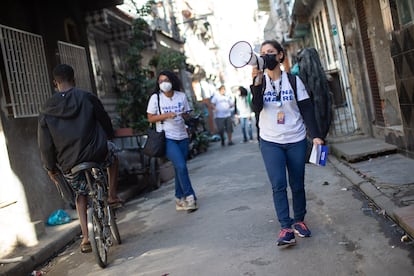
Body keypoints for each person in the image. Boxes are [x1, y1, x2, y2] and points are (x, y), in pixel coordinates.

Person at [38, 64, 122, 253]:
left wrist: (50, 167)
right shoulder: (87, 97)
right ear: (74, 80)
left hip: (69, 162)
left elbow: (45, 143)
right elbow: (105, 122)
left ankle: (85, 237)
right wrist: (109, 136)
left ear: (54, 83)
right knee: (114, 155)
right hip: (97, 154)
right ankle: (112, 195)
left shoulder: (46, 108)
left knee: (80, 194)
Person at [250, 40, 324, 247]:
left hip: (296, 139)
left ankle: (299, 220)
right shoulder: (260, 81)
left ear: (281, 56)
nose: (267, 56)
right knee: (278, 184)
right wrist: (255, 83)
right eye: (263, 53)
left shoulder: (294, 81)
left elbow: (307, 109)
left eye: (271, 52)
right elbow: (256, 107)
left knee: (297, 183)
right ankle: (285, 227)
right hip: (270, 141)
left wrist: (316, 135)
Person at [147, 70, 198, 212]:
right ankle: (190, 197)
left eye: (166, 80)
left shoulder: (181, 96)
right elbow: (150, 118)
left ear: (172, 81)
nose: (164, 84)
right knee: (181, 166)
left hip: (182, 135)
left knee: (178, 168)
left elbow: (187, 114)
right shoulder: (156, 98)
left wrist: (185, 114)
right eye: (161, 81)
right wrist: (166, 115)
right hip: (167, 137)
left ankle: (178, 198)